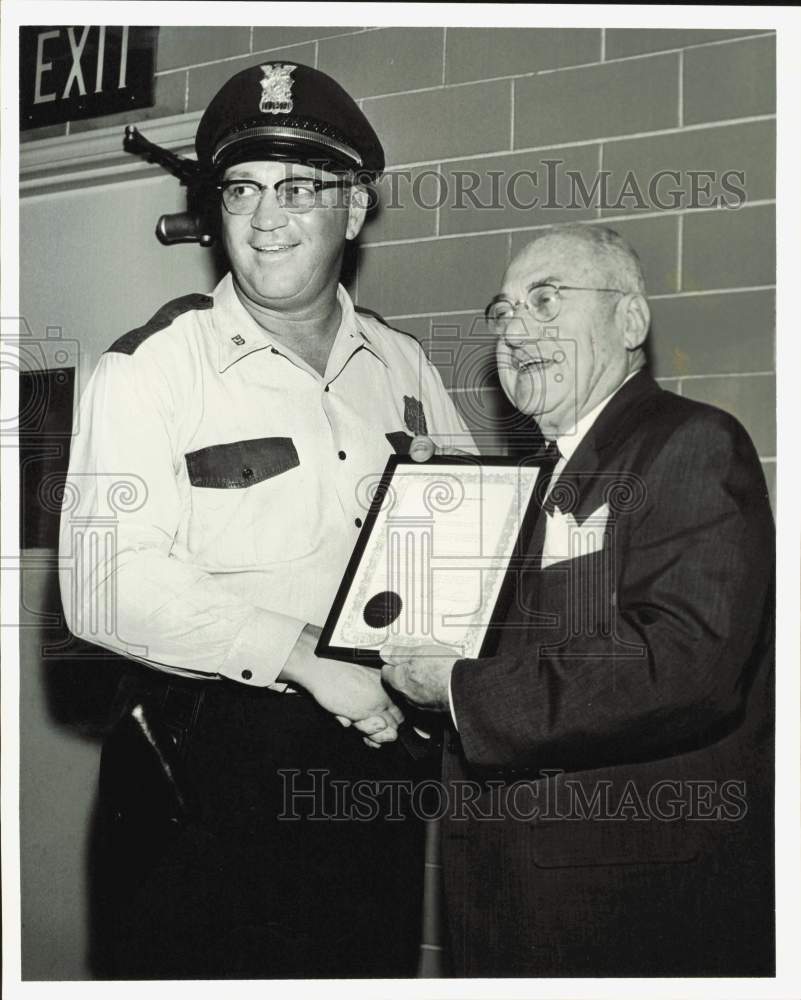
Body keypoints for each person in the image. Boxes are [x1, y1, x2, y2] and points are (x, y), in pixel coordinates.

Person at [58, 61, 473, 980]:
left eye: (298, 188)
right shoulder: (150, 369)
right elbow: (100, 585)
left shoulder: (404, 367)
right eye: (240, 190)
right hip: (204, 771)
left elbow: (466, 540)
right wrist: (305, 660)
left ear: (354, 211)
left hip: (374, 763)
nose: (264, 218)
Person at [382, 224, 774, 977]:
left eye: (546, 301)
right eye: (502, 311)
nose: (516, 329)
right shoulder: (525, 482)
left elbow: (685, 659)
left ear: (628, 322)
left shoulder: (691, 445)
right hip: (509, 895)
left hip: (629, 909)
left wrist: (459, 691)